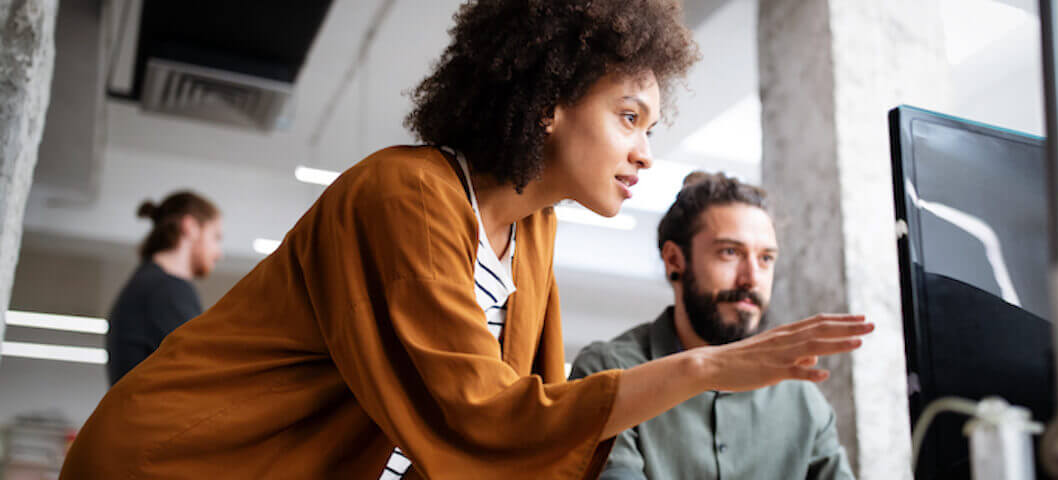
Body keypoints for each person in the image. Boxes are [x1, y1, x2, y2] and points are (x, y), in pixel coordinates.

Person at [61, 1, 873, 478]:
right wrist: (703, 369)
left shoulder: (533, 232)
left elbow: (528, 438)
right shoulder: (406, 192)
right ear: (550, 100)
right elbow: (482, 417)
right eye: (628, 117)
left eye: (650, 127)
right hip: (177, 465)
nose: (644, 152)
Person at [571, 172, 855, 479]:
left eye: (765, 259)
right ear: (674, 260)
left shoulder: (801, 396)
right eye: (730, 252)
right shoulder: (607, 374)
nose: (751, 278)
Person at [105, 191, 223, 385]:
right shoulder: (166, 289)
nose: (219, 253)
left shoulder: (150, 284)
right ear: (190, 227)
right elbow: (204, 372)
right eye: (216, 237)